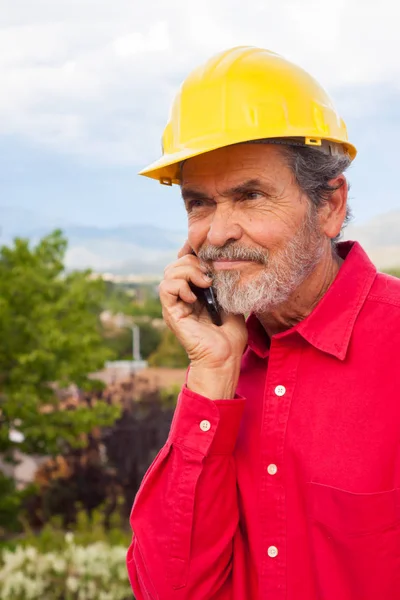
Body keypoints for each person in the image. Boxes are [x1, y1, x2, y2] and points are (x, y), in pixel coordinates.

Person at [126, 47, 400, 600]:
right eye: (199, 204)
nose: (218, 232)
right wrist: (212, 374)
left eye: (250, 196)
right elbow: (169, 590)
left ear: (328, 205)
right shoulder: (219, 366)